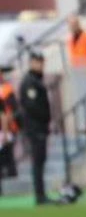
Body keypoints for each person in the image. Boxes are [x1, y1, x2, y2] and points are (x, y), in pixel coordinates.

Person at [19, 51, 55, 205]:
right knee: (38, 161)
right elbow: (32, 106)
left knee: (40, 160)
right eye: (38, 62)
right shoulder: (30, 82)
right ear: (32, 63)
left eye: (42, 62)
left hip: (40, 126)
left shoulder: (36, 80)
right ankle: (39, 195)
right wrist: (44, 118)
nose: (41, 65)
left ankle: (41, 193)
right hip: (36, 127)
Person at [0, 66, 19, 180]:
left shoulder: (6, 89)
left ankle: (11, 173)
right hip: (5, 127)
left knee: (7, 152)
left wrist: (6, 129)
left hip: (6, 127)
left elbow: (8, 111)